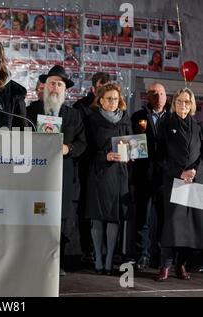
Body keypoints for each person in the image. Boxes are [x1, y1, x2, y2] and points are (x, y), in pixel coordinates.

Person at [26, 65, 87, 276]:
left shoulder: (74, 115)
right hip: (35, 175)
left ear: (65, 90)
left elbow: (83, 143)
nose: (55, 87)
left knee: (57, 223)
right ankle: (33, 260)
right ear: (44, 86)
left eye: (60, 84)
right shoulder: (30, 111)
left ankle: (54, 263)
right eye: (52, 83)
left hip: (62, 176)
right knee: (36, 219)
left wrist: (68, 148)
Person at [156, 87, 203, 281]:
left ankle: (181, 265)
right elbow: (159, 157)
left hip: (193, 182)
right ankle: (165, 265)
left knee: (189, 227)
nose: (183, 105)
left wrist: (194, 172)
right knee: (171, 224)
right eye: (179, 101)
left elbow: (201, 155)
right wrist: (179, 173)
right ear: (174, 103)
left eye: (187, 102)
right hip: (173, 181)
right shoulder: (166, 124)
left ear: (192, 105)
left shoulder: (198, 126)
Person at [86, 83, 132, 275]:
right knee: (98, 219)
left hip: (120, 175)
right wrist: (104, 156)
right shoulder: (91, 120)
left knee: (115, 218)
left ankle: (108, 261)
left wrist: (133, 153)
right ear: (101, 100)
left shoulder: (125, 119)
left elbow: (131, 145)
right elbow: (85, 150)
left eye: (115, 99)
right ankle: (98, 258)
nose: (113, 102)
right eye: (109, 99)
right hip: (99, 174)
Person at [131, 82, 170, 271]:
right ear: (147, 96)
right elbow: (130, 144)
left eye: (161, 93)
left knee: (164, 219)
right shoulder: (137, 117)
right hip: (143, 176)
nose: (158, 97)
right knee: (143, 219)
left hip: (165, 178)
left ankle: (161, 258)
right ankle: (143, 255)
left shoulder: (173, 118)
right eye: (154, 93)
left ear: (166, 96)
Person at [72, 72, 110, 265]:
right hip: (85, 165)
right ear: (94, 88)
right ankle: (85, 249)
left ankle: (102, 252)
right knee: (84, 208)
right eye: (102, 88)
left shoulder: (113, 109)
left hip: (106, 167)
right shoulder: (80, 107)